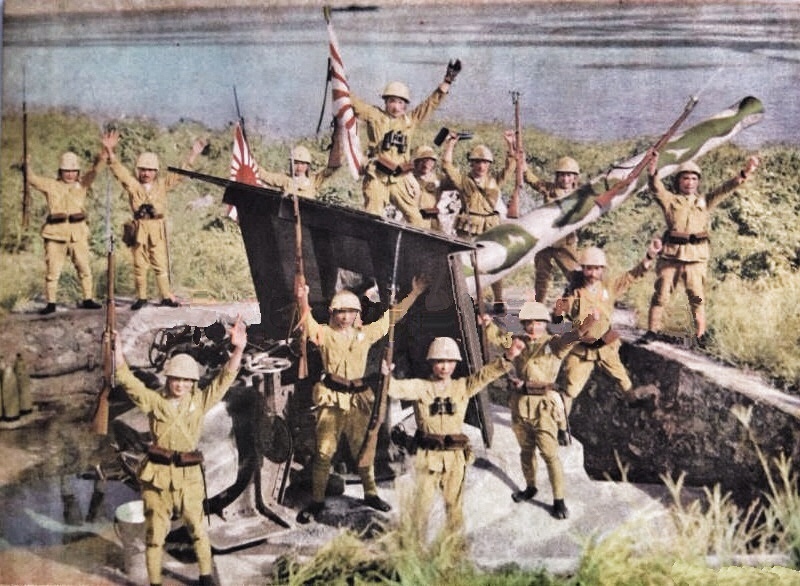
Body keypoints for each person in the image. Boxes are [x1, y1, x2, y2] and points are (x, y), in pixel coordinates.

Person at [113, 316, 247, 586]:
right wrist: (115, 351)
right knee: (154, 536)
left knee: (198, 530)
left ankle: (205, 576)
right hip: (158, 477)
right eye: (176, 379)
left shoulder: (200, 401)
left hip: (189, 478)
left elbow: (224, 379)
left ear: (193, 382)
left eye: (187, 380)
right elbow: (127, 381)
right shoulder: (154, 402)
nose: (181, 385)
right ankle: (155, 581)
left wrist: (239, 349)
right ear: (168, 379)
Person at [294, 276, 429, 524]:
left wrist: (414, 293)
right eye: (340, 311)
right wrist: (302, 298)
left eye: (350, 311)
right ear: (333, 313)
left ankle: (371, 494)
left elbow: (391, 318)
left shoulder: (365, 335)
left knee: (364, 450)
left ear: (357, 314)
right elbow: (307, 322)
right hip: (332, 399)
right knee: (323, 452)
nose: (345, 316)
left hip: (358, 400)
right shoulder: (324, 334)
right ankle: (317, 501)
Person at [385, 335, 525, 537]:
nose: (444, 367)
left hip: (454, 458)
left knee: (454, 507)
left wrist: (508, 357)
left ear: (455, 363)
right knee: (421, 506)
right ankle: (415, 547)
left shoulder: (462, 386)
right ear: (432, 363)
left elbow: (485, 375)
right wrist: (386, 376)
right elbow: (396, 389)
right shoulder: (420, 387)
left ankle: (455, 547)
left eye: (449, 361)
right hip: (427, 456)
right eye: (439, 361)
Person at [479, 300, 596, 519]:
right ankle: (530, 486)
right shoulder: (517, 341)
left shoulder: (552, 344)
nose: (534, 327)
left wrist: (586, 325)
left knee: (550, 455)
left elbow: (570, 339)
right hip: (520, 405)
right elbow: (498, 338)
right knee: (526, 451)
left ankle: (559, 499)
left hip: (543, 408)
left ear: (545, 324)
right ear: (524, 324)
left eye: (539, 323)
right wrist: (487, 324)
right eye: (529, 323)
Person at [645, 152, 761, 346]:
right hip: (671, 256)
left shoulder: (705, 201)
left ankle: (700, 335)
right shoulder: (670, 200)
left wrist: (746, 171)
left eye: (693, 179)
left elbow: (726, 188)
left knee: (697, 298)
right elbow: (656, 187)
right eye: (685, 178)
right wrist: (652, 167)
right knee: (661, 295)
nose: (689, 183)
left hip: (696, 258)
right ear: (678, 181)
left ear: (698, 182)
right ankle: (652, 331)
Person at [102, 129, 207, 310]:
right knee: (139, 265)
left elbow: (180, 174)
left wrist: (193, 154)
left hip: (157, 229)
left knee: (160, 264)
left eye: (150, 170)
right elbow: (119, 171)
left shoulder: (162, 185)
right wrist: (110, 151)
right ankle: (141, 298)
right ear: (138, 170)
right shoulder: (133, 185)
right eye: (143, 169)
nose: (146, 173)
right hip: (139, 229)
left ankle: (165, 296)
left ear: (156, 171)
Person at [556, 241, 663, 417]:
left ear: (602, 269)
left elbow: (631, 276)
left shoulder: (609, 287)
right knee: (570, 389)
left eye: (597, 269)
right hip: (582, 349)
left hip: (606, 345)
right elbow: (558, 317)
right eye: (589, 269)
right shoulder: (574, 293)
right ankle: (561, 424)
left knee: (624, 381)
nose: (593, 273)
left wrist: (650, 256)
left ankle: (634, 402)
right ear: (583, 269)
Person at [351, 59, 460, 226]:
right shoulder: (374, 115)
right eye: (392, 101)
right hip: (377, 177)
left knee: (417, 220)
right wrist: (339, 82)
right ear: (385, 102)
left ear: (405, 105)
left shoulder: (409, 121)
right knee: (372, 217)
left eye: (400, 102)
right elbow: (354, 104)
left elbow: (430, 104)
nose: (396, 107)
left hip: (399, 178)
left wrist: (447, 82)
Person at [442, 130, 516, 313]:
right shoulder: (463, 181)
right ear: (472, 163)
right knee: (466, 265)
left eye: (484, 162)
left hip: (490, 227)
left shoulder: (495, 180)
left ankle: (498, 299)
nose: (481, 166)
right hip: (468, 226)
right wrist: (450, 145)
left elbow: (511, 166)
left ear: (489, 164)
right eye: (477, 162)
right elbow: (447, 166)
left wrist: (510, 144)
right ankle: (470, 298)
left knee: (495, 263)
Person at [26, 150, 106, 314]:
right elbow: (32, 179)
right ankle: (51, 303)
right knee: (52, 271)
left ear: (78, 172)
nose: (70, 174)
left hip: (78, 234)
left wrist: (103, 156)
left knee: (84, 268)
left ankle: (88, 298)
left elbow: (95, 171)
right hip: (55, 234)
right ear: (60, 171)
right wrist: (26, 165)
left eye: (73, 171)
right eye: (66, 171)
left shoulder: (82, 184)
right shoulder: (51, 185)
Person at [521, 155, 583, 304]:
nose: (565, 179)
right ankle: (539, 307)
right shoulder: (549, 189)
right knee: (542, 276)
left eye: (569, 175)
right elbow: (531, 179)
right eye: (562, 175)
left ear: (575, 177)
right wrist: (522, 162)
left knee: (575, 275)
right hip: (546, 239)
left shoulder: (580, 194)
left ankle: (568, 304)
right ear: (557, 177)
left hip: (566, 241)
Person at [258, 145, 338, 199]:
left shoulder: (314, 181)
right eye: (296, 163)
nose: (299, 167)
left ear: (307, 165)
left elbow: (332, 168)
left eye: (302, 163)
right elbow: (264, 176)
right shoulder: (284, 179)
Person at [406, 144, 446, 232]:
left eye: (430, 161)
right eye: (423, 161)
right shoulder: (407, 178)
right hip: (410, 220)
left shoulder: (439, 179)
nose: (426, 164)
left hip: (430, 222)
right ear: (416, 162)